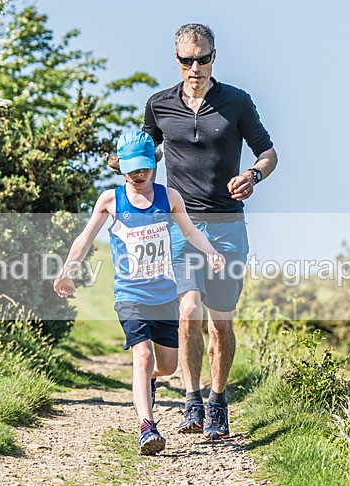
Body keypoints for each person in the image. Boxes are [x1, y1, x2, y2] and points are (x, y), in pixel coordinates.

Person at [111, 23, 278, 440]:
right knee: (187, 313)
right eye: (187, 60)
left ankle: (218, 402)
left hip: (227, 226)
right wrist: (122, 163)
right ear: (177, 61)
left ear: (213, 57)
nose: (195, 67)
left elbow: (269, 152)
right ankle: (192, 401)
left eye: (202, 58)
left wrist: (253, 176)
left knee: (220, 323)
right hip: (180, 225)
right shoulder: (160, 104)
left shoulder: (236, 102)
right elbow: (144, 153)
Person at [55, 130, 225, 455]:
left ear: (154, 164)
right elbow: (85, 239)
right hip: (130, 294)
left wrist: (211, 252)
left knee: (168, 366)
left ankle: (148, 382)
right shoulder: (110, 200)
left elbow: (189, 232)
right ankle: (147, 427)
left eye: (144, 167)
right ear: (120, 167)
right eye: (132, 168)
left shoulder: (170, 197)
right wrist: (67, 272)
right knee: (142, 357)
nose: (138, 174)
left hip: (163, 296)